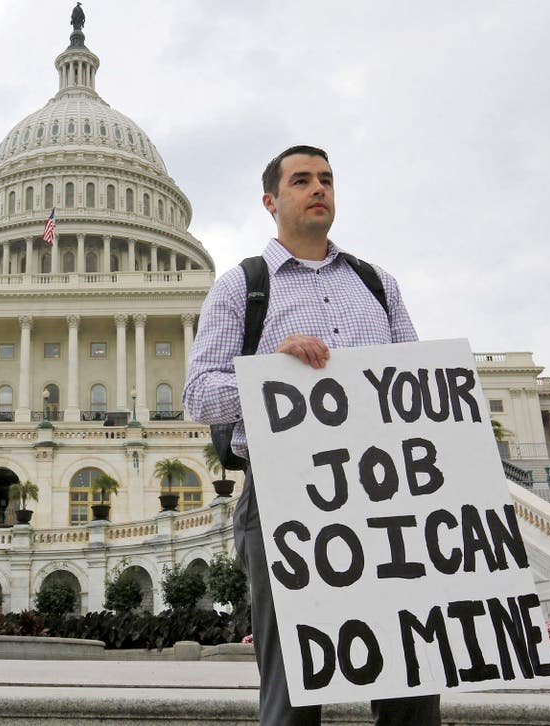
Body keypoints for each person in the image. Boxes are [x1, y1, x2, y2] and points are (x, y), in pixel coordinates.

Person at [182, 145, 441, 725]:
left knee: (413, 683)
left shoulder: (378, 285)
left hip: (384, 495)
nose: (318, 188)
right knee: (295, 689)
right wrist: (272, 372)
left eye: (326, 179)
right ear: (272, 201)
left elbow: (418, 387)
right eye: (302, 180)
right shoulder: (240, 287)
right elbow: (198, 395)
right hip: (284, 497)